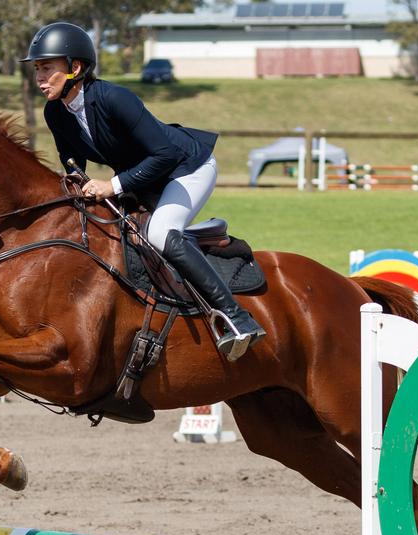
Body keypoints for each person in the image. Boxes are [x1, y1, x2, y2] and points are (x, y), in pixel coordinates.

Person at [21, 21, 264, 361]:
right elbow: (72, 162)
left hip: (186, 167)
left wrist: (112, 185)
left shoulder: (115, 99)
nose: (40, 78)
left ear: (75, 68)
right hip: (144, 176)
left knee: (162, 233)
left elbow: (164, 154)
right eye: (36, 70)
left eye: (47, 68)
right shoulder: (55, 112)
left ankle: (237, 317)